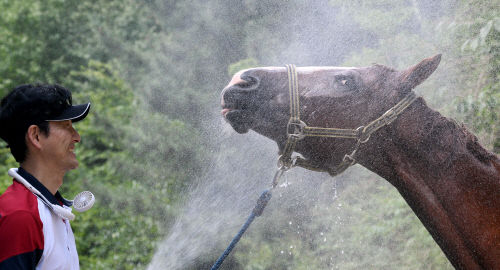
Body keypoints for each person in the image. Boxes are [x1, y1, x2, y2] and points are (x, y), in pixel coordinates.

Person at [0, 84, 91, 269]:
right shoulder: (20, 216)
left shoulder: (51, 210)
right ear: (36, 136)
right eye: (66, 126)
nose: (77, 137)